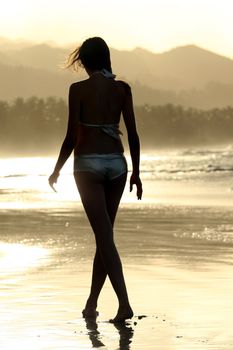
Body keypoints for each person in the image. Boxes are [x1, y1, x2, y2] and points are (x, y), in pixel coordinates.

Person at [48, 37, 142, 323]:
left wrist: (57, 169)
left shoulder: (77, 90)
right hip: (117, 165)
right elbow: (134, 135)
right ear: (107, 58)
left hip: (87, 166)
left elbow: (71, 137)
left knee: (104, 238)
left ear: (85, 62)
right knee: (106, 238)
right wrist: (136, 172)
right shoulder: (122, 89)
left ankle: (125, 305)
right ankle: (91, 303)